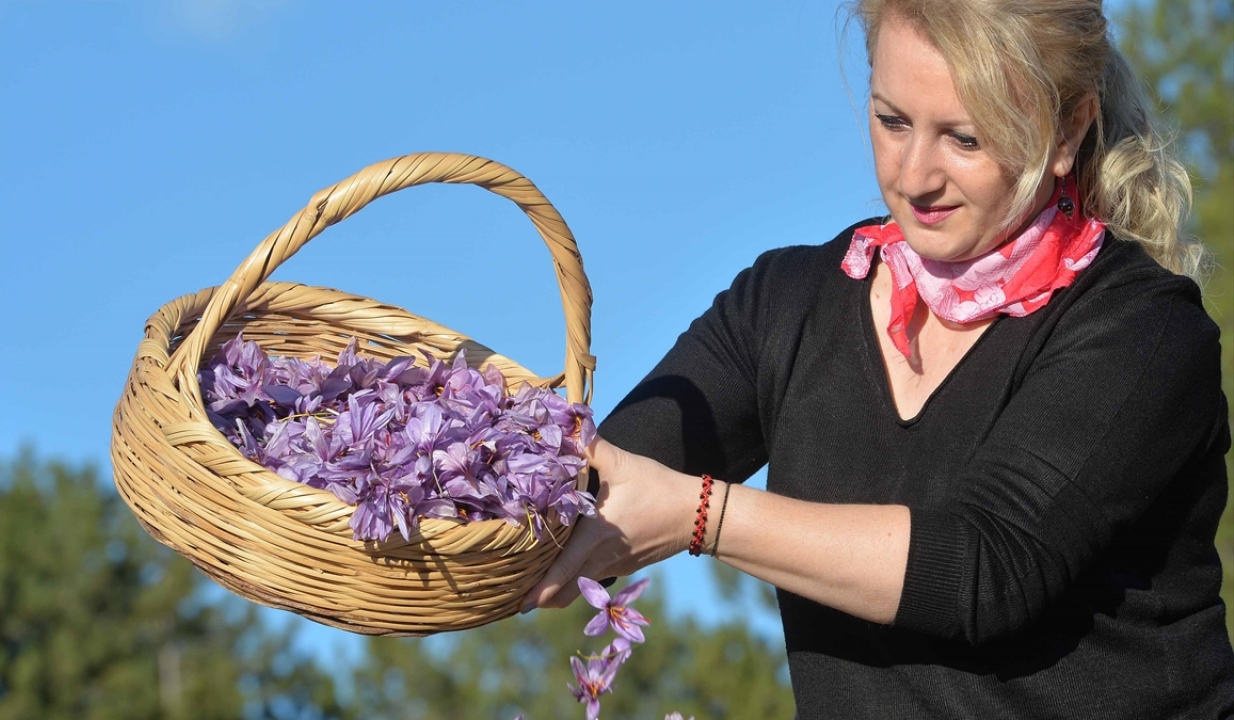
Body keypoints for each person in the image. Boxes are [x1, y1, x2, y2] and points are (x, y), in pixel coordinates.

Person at [520, 0, 1234, 717]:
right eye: (892, 120)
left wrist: (700, 515)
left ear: (1067, 130)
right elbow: (593, 483)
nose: (916, 176)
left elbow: (981, 571)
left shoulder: (1143, 331)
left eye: (965, 138)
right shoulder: (786, 305)